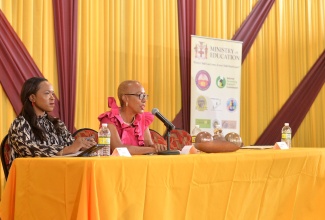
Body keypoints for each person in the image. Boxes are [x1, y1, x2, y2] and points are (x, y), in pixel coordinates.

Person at [8, 77, 96, 167]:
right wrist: (66, 150)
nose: (52, 98)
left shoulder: (57, 124)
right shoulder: (20, 123)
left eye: (52, 94)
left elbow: (71, 145)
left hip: (58, 172)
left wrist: (83, 146)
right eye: (47, 93)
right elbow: (27, 148)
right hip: (31, 176)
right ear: (32, 97)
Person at [98, 80, 167, 155]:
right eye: (140, 96)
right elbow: (118, 148)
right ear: (125, 98)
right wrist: (151, 149)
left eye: (145, 96)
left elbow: (149, 145)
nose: (144, 100)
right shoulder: (109, 119)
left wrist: (157, 147)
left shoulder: (141, 119)